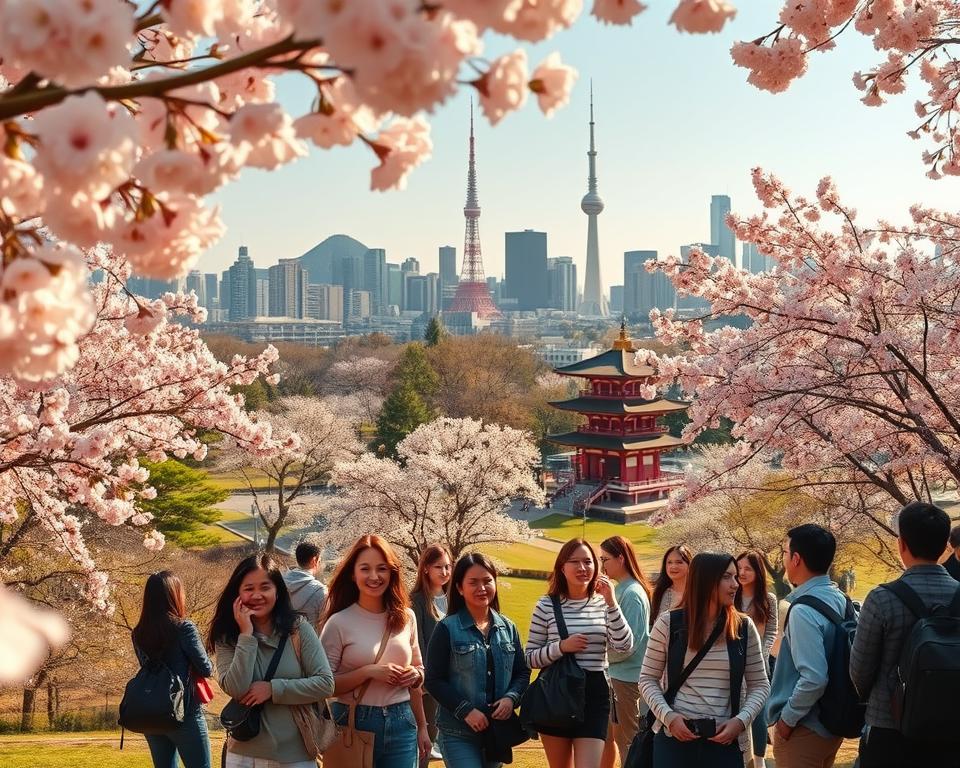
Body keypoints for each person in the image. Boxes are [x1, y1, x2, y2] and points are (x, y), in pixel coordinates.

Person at [850, 502, 960, 768]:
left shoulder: (881, 598)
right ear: (946, 544)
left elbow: (859, 671)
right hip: (952, 726)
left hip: (889, 727)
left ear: (902, 544)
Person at [639, 552, 770, 768]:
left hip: (725, 744)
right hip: (674, 743)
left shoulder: (744, 628)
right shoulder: (669, 624)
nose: (735, 584)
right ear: (706, 580)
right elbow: (647, 679)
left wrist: (741, 721)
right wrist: (669, 717)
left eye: (735, 577)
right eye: (727, 577)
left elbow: (760, 685)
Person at [209, 554, 334, 768]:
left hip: (296, 756)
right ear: (237, 594)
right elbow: (236, 688)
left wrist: (273, 689)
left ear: (277, 591)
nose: (257, 595)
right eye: (249, 589)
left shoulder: (298, 629)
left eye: (265, 587)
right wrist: (246, 635)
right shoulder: (227, 638)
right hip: (243, 757)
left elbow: (325, 684)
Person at [320, 535, 430, 768]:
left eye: (382, 569)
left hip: (402, 722)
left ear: (392, 573)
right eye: (365, 569)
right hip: (353, 721)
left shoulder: (406, 617)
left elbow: (419, 671)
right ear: (353, 573)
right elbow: (323, 686)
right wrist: (368, 672)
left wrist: (422, 725)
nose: (374, 576)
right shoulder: (339, 622)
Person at [525, 538, 633, 768]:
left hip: (595, 693)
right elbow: (530, 656)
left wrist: (612, 602)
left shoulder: (603, 604)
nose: (582, 568)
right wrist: (561, 647)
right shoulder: (546, 605)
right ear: (562, 567)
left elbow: (625, 645)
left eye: (588, 562)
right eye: (574, 562)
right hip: (557, 692)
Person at [425, 553, 530, 768]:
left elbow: (522, 672)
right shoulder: (447, 628)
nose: (482, 588)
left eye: (487, 581)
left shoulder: (507, 628)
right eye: (473, 582)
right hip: (457, 731)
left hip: (496, 731)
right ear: (460, 588)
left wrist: (511, 698)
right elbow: (433, 679)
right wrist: (466, 711)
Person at [766, 524, 847, 768]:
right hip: (832, 722)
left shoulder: (802, 610)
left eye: (785, 552)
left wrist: (786, 723)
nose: (784, 558)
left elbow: (814, 677)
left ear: (796, 559)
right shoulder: (839, 597)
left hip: (805, 727)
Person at [131, 571, 213, 768]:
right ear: (174, 595)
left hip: (154, 714)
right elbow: (206, 668)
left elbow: (148, 667)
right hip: (185, 712)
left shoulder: (138, 632)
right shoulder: (184, 628)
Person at [598, 535, 653, 768]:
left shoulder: (631, 593)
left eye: (605, 559)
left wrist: (598, 656)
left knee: (628, 741)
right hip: (620, 677)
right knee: (612, 738)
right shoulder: (624, 589)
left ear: (620, 558)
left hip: (627, 678)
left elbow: (629, 645)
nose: (602, 566)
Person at [735, 550, 779, 768]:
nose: (741, 573)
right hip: (732, 664)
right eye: (739, 568)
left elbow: (771, 631)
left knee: (758, 714)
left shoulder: (767, 599)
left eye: (747, 568)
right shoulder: (730, 594)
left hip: (758, 666)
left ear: (757, 572)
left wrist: (761, 654)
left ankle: (759, 760)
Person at [410, 543, 453, 765]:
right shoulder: (416, 600)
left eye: (448, 566)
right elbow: (418, 643)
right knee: (422, 740)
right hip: (427, 684)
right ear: (426, 568)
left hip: (451, 681)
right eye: (439, 567)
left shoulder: (454, 598)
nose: (445, 572)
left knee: (437, 736)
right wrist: (429, 679)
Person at [283, 541, 328, 626]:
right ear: (314, 560)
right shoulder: (321, 591)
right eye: (319, 561)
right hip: (309, 638)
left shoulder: (279, 583)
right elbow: (324, 627)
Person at [650, 545, 693, 623]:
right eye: (669, 562)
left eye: (679, 562)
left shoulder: (697, 593)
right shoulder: (660, 593)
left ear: (689, 564)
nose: (673, 566)